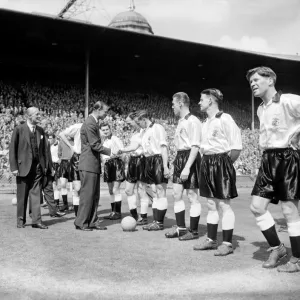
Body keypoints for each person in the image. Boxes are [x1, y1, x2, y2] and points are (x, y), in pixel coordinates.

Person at [247, 66, 300, 272]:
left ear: (270, 80)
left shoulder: (288, 100)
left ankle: (296, 259)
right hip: (268, 159)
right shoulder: (261, 109)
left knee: (289, 210)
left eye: (256, 79)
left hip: (287, 157)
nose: (252, 84)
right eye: (250, 81)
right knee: (257, 206)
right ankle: (277, 248)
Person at [193, 89, 242, 256]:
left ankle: (227, 243)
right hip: (206, 162)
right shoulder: (205, 123)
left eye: (201, 99)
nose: (199, 102)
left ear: (211, 101)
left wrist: (226, 166)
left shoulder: (225, 119)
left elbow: (236, 147)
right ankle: (211, 240)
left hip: (221, 162)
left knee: (223, 204)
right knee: (211, 204)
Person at [120, 110, 170, 231]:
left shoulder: (157, 128)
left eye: (138, 122)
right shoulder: (143, 131)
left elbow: (163, 147)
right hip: (148, 160)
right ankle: (155, 221)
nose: (138, 124)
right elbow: (136, 146)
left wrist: (165, 166)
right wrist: (123, 150)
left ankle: (159, 222)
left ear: (144, 119)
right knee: (153, 191)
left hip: (158, 159)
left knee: (160, 190)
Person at [165, 92, 202, 241]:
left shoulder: (193, 121)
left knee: (192, 195)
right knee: (176, 194)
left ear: (180, 103)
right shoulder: (181, 121)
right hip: (180, 157)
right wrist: (177, 163)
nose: (172, 106)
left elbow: (195, 146)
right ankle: (180, 228)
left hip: (190, 157)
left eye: (173, 103)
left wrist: (187, 167)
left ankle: (193, 231)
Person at [74, 101, 111, 231]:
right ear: (98, 109)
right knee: (87, 194)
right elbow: (94, 144)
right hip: (88, 163)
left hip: (92, 164)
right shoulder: (90, 123)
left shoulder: (93, 122)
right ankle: (81, 222)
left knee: (94, 195)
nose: (106, 114)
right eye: (105, 111)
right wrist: (110, 151)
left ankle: (92, 221)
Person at [9, 107, 48, 229]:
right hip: (22, 168)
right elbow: (12, 149)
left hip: (37, 168)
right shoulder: (19, 129)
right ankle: (21, 220)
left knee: (36, 195)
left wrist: (45, 166)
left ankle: (36, 221)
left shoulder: (41, 130)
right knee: (22, 196)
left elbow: (43, 150)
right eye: (37, 114)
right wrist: (14, 167)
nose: (39, 116)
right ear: (29, 116)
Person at [123, 112, 149, 225]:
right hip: (133, 161)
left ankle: (143, 217)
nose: (128, 125)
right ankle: (134, 215)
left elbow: (134, 147)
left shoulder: (144, 132)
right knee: (128, 190)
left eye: (130, 122)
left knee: (141, 190)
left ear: (136, 120)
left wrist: (122, 150)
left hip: (141, 160)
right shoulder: (134, 133)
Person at [100, 122, 125, 220]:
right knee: (110, 190)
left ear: (110, 129)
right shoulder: (102, 141)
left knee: (115, 189)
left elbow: (122, 150)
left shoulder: (115, 139)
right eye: (103, 130)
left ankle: (118, 213)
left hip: (116, 163)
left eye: (107, 129)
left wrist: (115, 156)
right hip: (107, 165)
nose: (105, 131)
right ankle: (113, 212)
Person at [59, 122, 83, 215]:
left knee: (76, 187)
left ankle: (77, 205)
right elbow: (59, 154)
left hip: (76, 160)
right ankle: (66, 204)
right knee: (64, 184)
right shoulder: (62, 142)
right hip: (66, 163)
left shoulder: (76, 140)